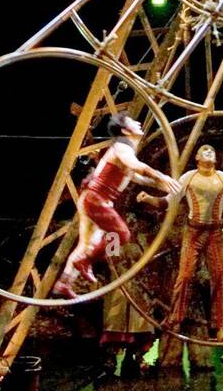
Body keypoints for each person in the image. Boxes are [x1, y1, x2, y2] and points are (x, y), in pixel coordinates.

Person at [138, 143, 223, 341]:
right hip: (193, 232)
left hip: (215, 234)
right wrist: (148, 199)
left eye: (212, 151)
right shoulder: (188, 178)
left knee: (220, 278)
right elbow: (168, 202)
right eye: (204, 150)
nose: (209, 152)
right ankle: (174, 317)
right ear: (196, 157)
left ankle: (222, 328)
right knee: (185, 276)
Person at [55, 112, 181, 299]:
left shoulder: (126, 151)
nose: (139, 123)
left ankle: (64, 283)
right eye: (133, 122)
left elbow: (141, 178)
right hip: (96, 200)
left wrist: (166, 184)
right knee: (122, 234)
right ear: (125, 130)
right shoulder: (122, 147)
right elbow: (138, 167)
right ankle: (86, 261)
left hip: (94, 201)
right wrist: (161, 176)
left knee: (89, 244)